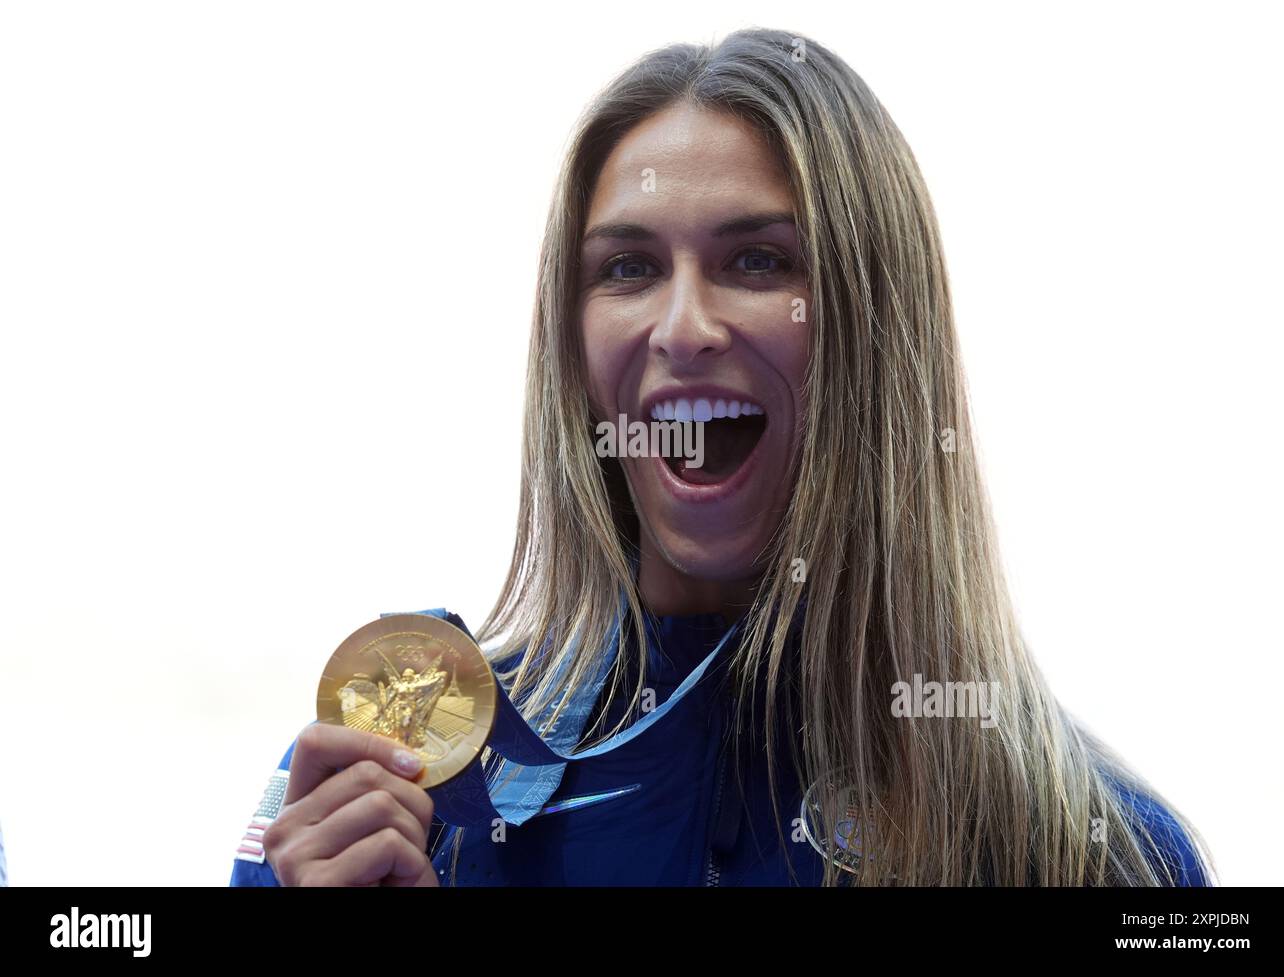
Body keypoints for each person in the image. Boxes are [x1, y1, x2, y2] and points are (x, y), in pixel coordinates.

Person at [231, 27, 1213, 887]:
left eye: (758, 261)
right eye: (628, 267)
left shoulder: (1095, 848)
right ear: (570, 347)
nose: (683, 325)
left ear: (875, 326)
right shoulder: (372, 795)